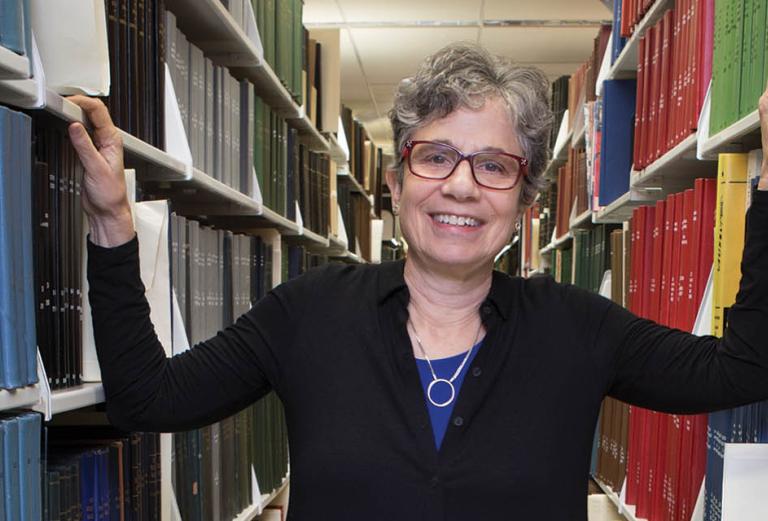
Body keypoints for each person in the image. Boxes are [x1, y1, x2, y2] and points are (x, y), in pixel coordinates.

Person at [69, 43, 768, 520]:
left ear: (525, 203)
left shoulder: (578, 328)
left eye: (494, 165)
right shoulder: (308, 313)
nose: (461, 186)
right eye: (436, 157)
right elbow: (145, 397)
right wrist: (110, 225)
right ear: (397, 182)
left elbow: (743, 368)